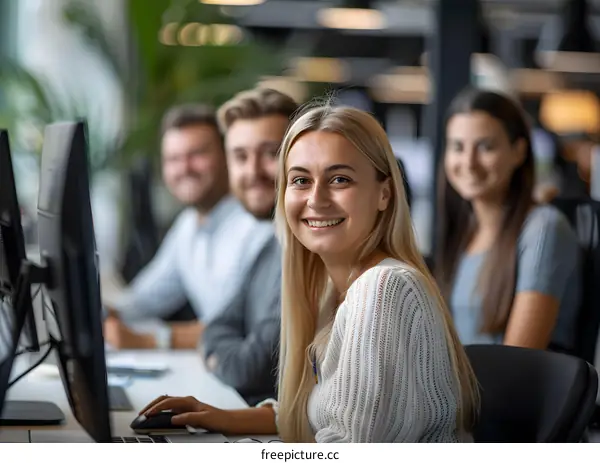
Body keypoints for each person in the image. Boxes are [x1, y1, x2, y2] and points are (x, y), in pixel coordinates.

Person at [137, 103, 480, 443]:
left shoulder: (382, 290)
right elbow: (322, 412)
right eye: (300, 180)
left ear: (384, 193)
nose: (316, 199)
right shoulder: (330, 288)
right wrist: (218, 416)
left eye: (340, 179)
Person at [104, 103, 273, 349]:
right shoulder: (187, 225)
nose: (184, 168)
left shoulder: (257, 227)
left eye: (197, 154)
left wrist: (149, 340)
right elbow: (142, 302)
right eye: (173, 159)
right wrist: (93, 311)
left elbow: (240, 327)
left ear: (228, 157)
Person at [435, 87, 582, 353]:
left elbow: (518, 361)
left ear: (518, 152)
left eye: (485, 147)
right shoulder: (465, 232)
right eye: (457, 146)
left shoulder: (543, 228)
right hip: (464, 391)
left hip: (511, 392)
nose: (468, 162)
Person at [199, 87, 299, 405]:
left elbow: (247, 369)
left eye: (270, 153)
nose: (252, 171)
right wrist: (218, 350)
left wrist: (216, 357)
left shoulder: (308, 252)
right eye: (240, 156)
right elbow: (216, 326)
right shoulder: (272, 242)